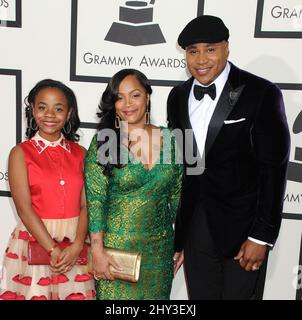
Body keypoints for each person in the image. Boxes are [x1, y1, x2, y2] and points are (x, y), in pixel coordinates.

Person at [167, 15, 290, 299]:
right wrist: (180, 236)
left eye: (210, 49)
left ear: (227, 48)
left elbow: (273, 170)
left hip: (244, 230)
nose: (200, 59)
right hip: (196, 229)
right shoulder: (177, 96)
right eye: (192, 51)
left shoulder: (260, 93)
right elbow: (185, 166)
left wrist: (261, 235)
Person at [84, 68, 183, 300]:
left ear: (148, 96)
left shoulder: (172, 139)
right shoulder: (103, 142)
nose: (127, 103)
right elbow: (95, 200)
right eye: (119, 97)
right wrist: (97, 250)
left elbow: (179, 196)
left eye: (135, 95)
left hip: (160, 252)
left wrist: (182, 243)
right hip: (116, 254)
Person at [0, 79, 95, 300]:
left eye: (58, 108)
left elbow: (86, 204)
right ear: (33, 110)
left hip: (75, 243)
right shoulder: (20, 153)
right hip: (36, 239)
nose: (50, 115)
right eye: (42, 107)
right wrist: (52, 249)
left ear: (69, 113)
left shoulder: (81, 153)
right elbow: (24, 209)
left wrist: (78, 244)